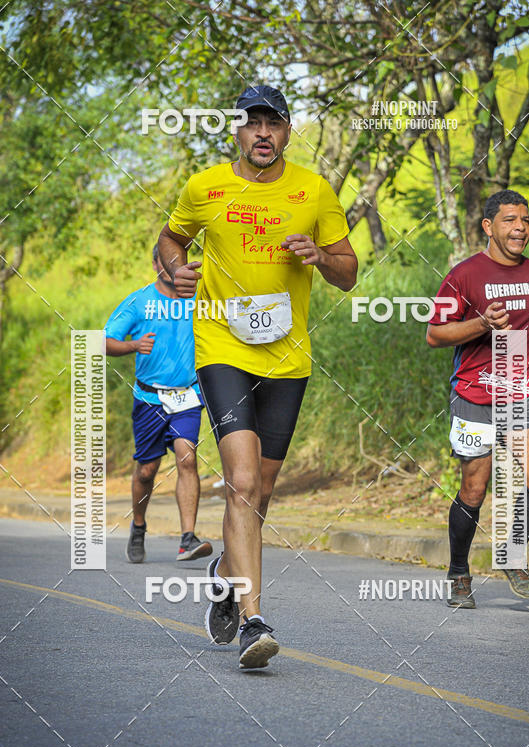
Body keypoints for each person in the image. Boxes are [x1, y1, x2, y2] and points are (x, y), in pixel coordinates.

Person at [158, 84, 357, 668]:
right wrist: (175, 269)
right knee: (242, 483)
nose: (262, 133)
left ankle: (223, 571)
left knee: (261, 493)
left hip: (287, 358)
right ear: (237, 133)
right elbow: (171, 238)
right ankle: (254, 621)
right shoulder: (206, 187)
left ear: (288, 132)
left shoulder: (313, 191)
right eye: (252, 124)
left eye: (274, 123)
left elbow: (348, 272)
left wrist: (321, 257)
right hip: (221, 347)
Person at [427, 189, 529, 608]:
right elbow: (435, 334)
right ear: (488, 226)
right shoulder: (464, 275)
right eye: (509, 220)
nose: (520, 227)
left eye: (525, 220)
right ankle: (459, 573)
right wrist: (481, 323)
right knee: (474, 489)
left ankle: (511, 552)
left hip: (525, 389)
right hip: (475, 392)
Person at [104, 244, 213, 564]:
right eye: (167, 263)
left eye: (178, 262)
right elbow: (104, 341)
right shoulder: (138, 302)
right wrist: (133, 345)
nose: (173, 268)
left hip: (188, 395)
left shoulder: (199, 298)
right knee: (146, 470)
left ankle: (187, 539)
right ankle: (138, 526)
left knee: (187, 459)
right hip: (149, 397)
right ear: (155, 265)